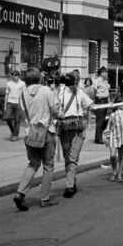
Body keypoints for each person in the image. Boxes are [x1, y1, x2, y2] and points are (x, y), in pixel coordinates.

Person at [12, 68, 59, 210]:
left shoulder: (22, 94)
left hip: (30, 132)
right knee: (48, 165)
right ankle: (44, 198)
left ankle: (20, 193)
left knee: (33, 164)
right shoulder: (46, 91)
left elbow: (23, 113)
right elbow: (55, 111)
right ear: (39, 78)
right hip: (46, 131)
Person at [54, 71, 93, 199]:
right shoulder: (59, 92)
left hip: (78, 128)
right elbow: (53, 107)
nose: (74, 86)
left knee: (72, 157)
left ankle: (69, 186)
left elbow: (90, 105)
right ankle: (72, 181)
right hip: (64, 127)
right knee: (67, 157)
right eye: (73, 83)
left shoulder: (80, 93)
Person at [3, 70, 26, 141]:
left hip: (18, 103)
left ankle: (15, 135)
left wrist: (24, 105)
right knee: (7, 117)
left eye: (18, 75)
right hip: (10, 103)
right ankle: (13, 131)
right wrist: (5, 105)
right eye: (15, 75)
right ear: (12, 76)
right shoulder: (9, 83)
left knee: (17, 120)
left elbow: (24, 94)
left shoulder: (22, 83)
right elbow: (6, 95)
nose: (17, 77)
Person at [91, 67, 111, 144]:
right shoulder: (98, 80)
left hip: (105, 100)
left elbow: (107, 92)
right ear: (101, 73)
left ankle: (100, 136)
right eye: (105, 72)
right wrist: (94, 101)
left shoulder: (105, 81)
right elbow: (94, 91)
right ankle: (98, 138)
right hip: (100, 100)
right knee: (100, 120)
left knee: (103, 120)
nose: (106, 73)